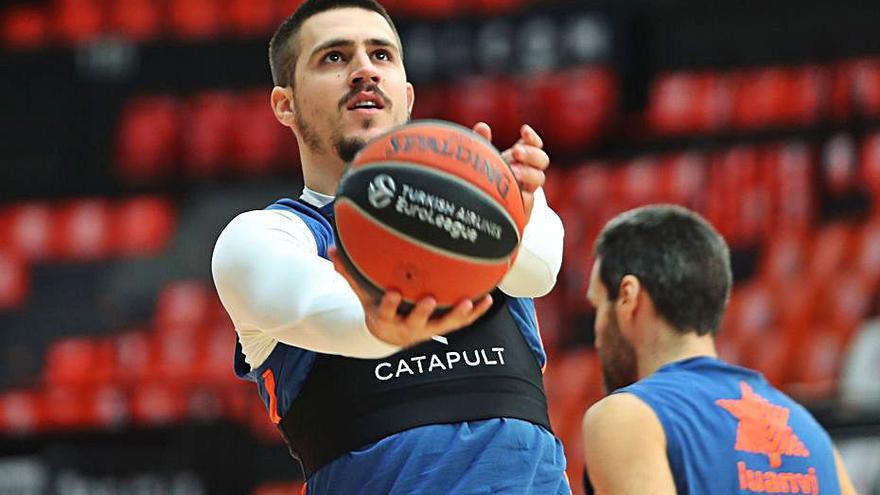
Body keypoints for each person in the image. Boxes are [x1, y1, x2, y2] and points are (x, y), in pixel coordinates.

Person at [211, 0, 569, 493]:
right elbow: (323, 306)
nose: (363, 70)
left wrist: (502, 209)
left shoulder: (494, 192)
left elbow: (539, 271)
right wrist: (382, 325)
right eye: (333, 58)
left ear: (407, 92)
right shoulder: (262, 238)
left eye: (381, 55)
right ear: (284, 104)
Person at [580, 204, 857, 494]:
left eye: (598, 305)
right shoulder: (811, 434)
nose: (597, 334)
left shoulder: (627, 417)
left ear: (628, 297)